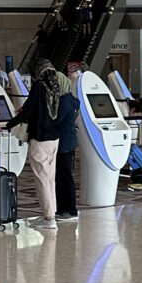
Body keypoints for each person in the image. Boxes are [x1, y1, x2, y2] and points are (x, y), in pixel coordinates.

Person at [6, 58, 60, 230]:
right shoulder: (54, 87)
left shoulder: (38, 87)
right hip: (54, 138)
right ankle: (52, 211)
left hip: (40, 138)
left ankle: (49, 217)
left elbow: (28, 111)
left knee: (42, 179)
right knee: (50, 178)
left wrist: (8, 124)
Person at [54, 72, 80, 221]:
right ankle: (62, 208)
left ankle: (70, 210)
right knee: (62, 177)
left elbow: (56, 120)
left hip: (63, 144)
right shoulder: (72, 100)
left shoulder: (64, 102)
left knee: (65, 178)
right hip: (68, 142)